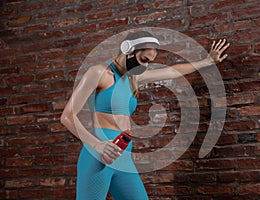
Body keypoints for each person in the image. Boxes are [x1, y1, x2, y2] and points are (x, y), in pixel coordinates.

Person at [60, 30, 229, 200]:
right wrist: (97, 145)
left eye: (149, 62)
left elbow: (172, 72)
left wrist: (207, 61)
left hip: (123, 155)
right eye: (143, 60)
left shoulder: (133, 78)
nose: (145, 66)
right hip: (98, 156)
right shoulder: (99, 73)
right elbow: (67, 116)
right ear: (128, 49)